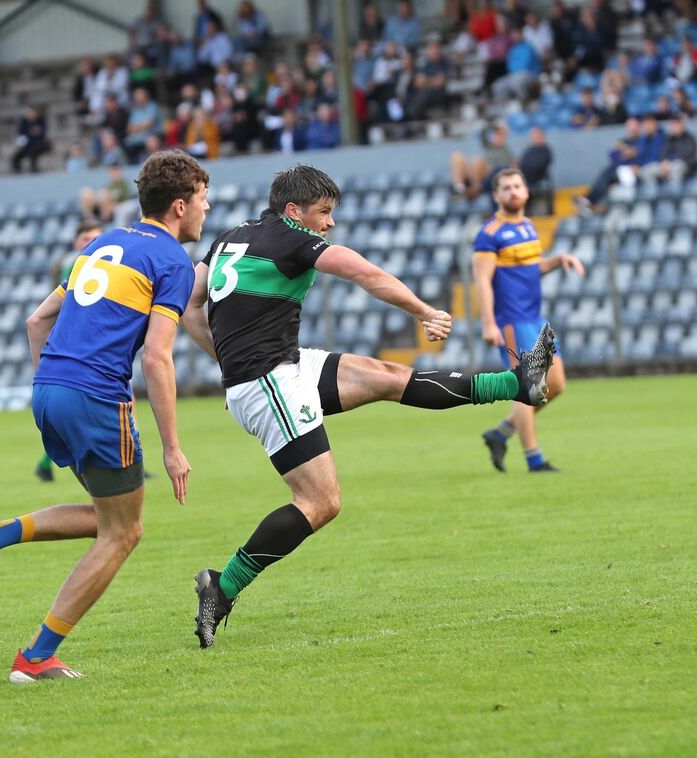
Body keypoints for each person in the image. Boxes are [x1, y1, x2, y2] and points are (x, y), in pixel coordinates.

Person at [180, 166, 554, 647]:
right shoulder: (292, 238)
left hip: (282, 367)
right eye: (324, 213)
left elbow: (191, 304)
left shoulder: (230, 237)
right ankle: (223, 584)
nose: (330, 224)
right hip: (268, 381)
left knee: (386, 377)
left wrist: (226, 359)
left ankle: (517, 382)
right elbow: (364, 273)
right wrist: (424, 311)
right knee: (321, 502)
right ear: (294, 212)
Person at [0, 151, 209, 681]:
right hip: (95, 397)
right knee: (124, 532)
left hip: (48, 389)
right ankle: (35, 657)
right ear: (180, 206)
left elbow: (36, 320)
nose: (206, 210)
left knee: (107, 516)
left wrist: (54, 381)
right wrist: (173, 448)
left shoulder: (106, 242)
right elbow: (157, 357)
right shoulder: (173, 262)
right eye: (204, 200)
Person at [477, 168, 584, 474]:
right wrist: (488, 323)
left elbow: (531, 268)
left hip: (535, 318)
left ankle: (500, 434)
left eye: (517, 186)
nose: (513, 191)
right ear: (496, 195)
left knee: (557, 384)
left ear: (526, 191)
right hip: (511, 320)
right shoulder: (490, 234)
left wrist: (558, 259)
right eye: (505, 187)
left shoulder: (528, 227)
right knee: (529, 389)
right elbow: (482, 280)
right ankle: (534, 459)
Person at [34, 220, 104, 482]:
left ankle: (46, 463)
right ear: (77, 242)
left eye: (96, 237)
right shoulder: (77, 266)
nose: (91, 242)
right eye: (86, 237)